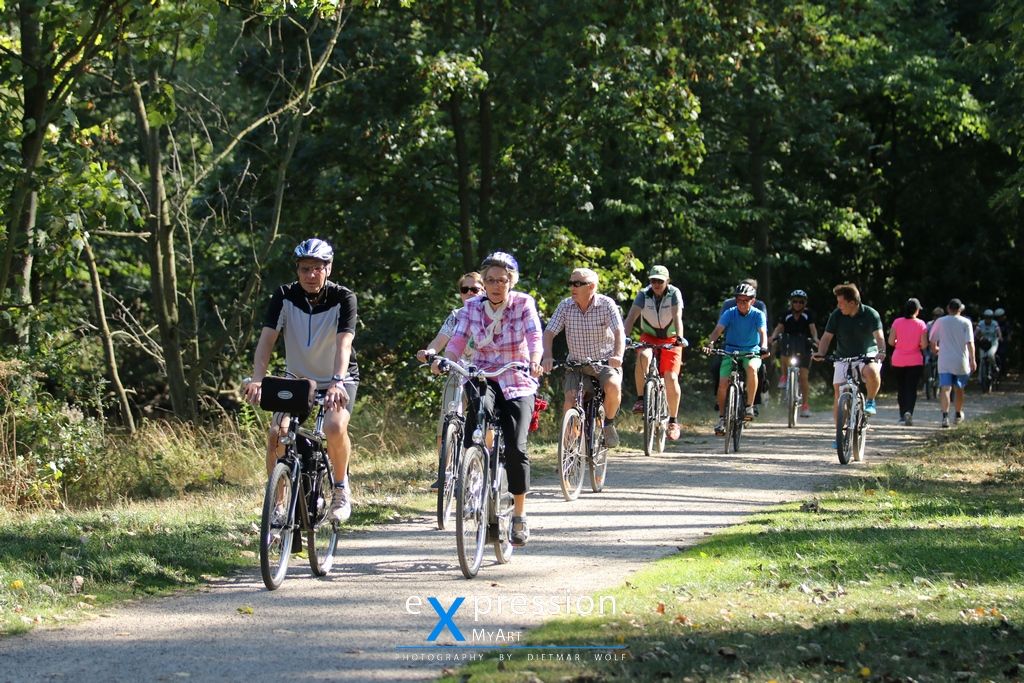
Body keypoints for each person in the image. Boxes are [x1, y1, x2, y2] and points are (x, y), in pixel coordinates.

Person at [244, 238, 359, 522]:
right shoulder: (284, 296)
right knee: (277, 434)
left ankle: (341, 489)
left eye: (317, 268)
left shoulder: (344, 298)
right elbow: (266, 341)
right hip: (297, 380)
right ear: (297, 270)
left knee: (334, 426)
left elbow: (344, 344)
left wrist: (337, 381)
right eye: (305, 268)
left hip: (338, 378)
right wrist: (258, 379)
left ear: (328, 269)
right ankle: (278, 504)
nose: (310, 274)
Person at [441, 252, 543, 546]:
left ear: (511, 282)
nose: (497, 285)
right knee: (474, 427)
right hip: (483, 375)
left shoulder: (523, 303)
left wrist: (535, 360)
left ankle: (520, 515)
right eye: (491, 280)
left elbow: (534, 337)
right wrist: (448, 359)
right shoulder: (472, 307)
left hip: (517, 378)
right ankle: (474, 477)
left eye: (503, 280)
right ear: (483, 283)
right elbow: (458, 339)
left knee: (516, 446)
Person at [542, 267, 626, 448]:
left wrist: (618, 355)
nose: (572, 287)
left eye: (578, 283)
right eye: (571, 283)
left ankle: (608, 424)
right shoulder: (565, 306)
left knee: (613, 385)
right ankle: (568, 450)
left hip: (603, 363)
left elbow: (619, 331)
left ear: (591, 287)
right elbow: (549, 332)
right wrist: (547, 356)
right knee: (570, 400)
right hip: (576, 365)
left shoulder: (606, 304)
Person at [416, 272, 485, 490]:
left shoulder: (490, 314)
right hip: (457, 371)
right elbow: (440, 340)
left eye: (474, 289)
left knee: (483, 421)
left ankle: (479, 468)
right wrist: (431, 353)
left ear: (483, 291)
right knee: (446, 421)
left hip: (484, 374)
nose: (469, 293)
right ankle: (444, 473)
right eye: (465, 290)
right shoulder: (456, 315)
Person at [813, 283, 885, 442]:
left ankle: (870, 401)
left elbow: (879, 337)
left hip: (867, 355)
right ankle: (839, 434)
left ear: (852, 303)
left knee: (872, 371)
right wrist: (821, 353)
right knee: (838, 394)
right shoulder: (837, 315)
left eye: (841, 303)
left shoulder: (870, 314)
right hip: (843, 357)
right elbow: (826, 337)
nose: (838, 306)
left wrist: (881, 351)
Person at [622, 265, 685, 440]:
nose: (656, 284)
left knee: (671, 377)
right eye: (653, 280)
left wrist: (679, 338)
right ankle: (641, 399)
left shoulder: (674, 293)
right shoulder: (644, 294)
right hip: (649, 336)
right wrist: (624, 338)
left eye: (660, 281)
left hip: (671, 337)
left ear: (667, 281)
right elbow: (631, 317)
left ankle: (673, 421)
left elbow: (677, 316)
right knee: (643, 356)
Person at [702, 282, 768, 436]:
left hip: (752, 351)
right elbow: (718, 330)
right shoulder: (730, 313)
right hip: (730, 351)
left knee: (751, 368)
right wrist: (710, 343)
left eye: (745, 300)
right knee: (722, 384)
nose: (742, 303)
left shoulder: (758, 314)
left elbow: (762, 332)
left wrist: (764, 347)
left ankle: (749, 406)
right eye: (739, 300)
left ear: (752, 300)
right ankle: (722, 419)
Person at [768, 289, 819, 418]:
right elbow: (779, 328)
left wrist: (816, 339)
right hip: (789, 345)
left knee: (803, 377)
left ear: (804, 303)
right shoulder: (786, 314)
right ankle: (784, 376)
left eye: (800, 302)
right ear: (791, 302)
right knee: (783, 348)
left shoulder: (808, 315)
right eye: (795, 301)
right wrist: (773, 336)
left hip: (804, 346)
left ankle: (805, 406)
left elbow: (813, 330)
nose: (797, 304)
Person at [929, 298, 976, 427]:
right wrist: (973, 359)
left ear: (948, 308)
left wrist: (935, 349)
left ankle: (945, 417)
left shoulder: (940, 321)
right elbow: (970, 343)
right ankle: (958, 414)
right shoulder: (966, 322)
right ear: (960, 309)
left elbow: (932, 339)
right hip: (961, 361)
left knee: (945, 388)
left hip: (944, 360)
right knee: (959, 388)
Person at [887, 298, 928, 426]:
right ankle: (909, 411)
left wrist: (899, 343)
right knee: (911, 388)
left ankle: (901, 415)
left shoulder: (897, 322)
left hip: (898, 359)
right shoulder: (921, 324)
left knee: (901, 388)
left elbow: (890, 341)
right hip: (915, 360)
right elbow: (924, 344)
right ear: (916, 311)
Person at [975, 308, 1002, 376]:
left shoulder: (994, 323)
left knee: (990, 354)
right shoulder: (981, 323)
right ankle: (981, 378)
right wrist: (977, 337)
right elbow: (976, 332)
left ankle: (995, 367)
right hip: (983, 343)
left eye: (989, 317)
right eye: (986, 317)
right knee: (982, 359)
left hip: (993, 342)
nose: (988, 319)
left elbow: (998, 331)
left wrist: (1000, 337)